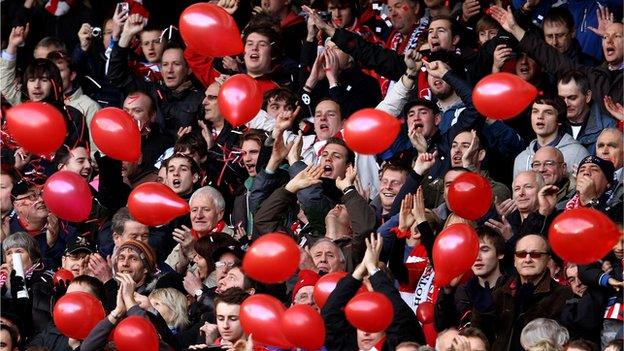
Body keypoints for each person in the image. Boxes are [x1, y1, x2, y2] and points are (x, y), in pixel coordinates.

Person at [471, 234, 574, 351]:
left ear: (548, 260)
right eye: (521, 254)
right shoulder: (501, 292)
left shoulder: (563, 294)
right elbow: (480, 339)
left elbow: (555, 341)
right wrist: (482, 314)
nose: (527, 259)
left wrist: (527, 310)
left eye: (535, 254)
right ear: (515, 260)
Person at [514, 96, 589, 178]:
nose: (540, 116)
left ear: (559, 120)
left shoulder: (577, 153)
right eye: (535, 111)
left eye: (548, 112)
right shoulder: (521, 159)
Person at [557, 70, 616, 152]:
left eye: (572, 98)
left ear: (588, 96)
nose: (566, 104)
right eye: (561, 99)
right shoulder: (553, 124)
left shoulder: (607, 126)